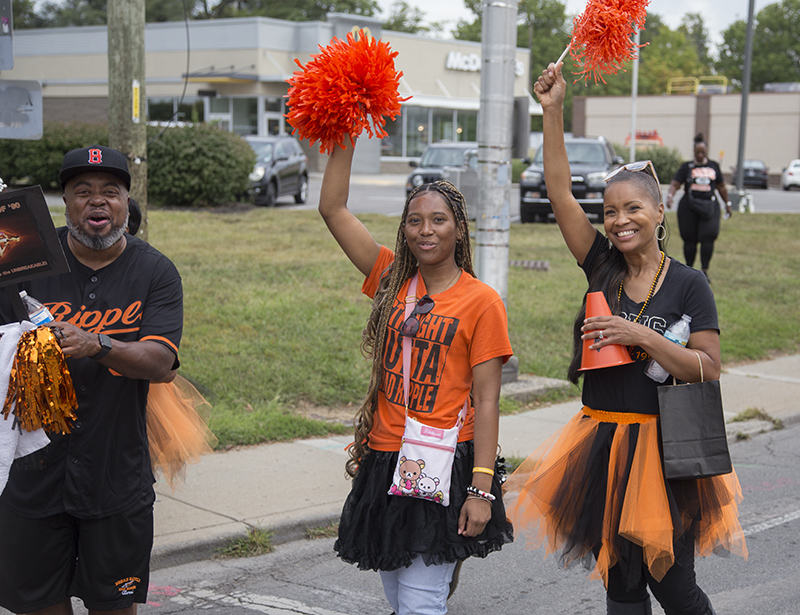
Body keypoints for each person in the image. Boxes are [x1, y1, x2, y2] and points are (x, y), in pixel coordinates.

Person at [508, 63, 747, 615]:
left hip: (664, 454)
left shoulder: (689, 283)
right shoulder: (600, 266)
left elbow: (707, 368)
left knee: (675, 588)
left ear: (659, 212)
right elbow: (560, 191)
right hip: (601, 446)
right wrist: (552, 110)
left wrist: (639, 334)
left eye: (632, 208)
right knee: (621, 589)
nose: (619, 221)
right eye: (610, 211)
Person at [319, 139, 514, 615]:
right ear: (404, 228)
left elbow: (487, 401)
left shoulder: (481, 301)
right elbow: (332, 208)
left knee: (421, 601)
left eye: (438, 220)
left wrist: (481, 490)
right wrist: (345, 132)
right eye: (415, 220)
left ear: (460, 230)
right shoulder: (390, 280)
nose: (426, 231)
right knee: (397, 594)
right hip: (386, 458)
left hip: (446, 463)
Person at [0, 145, 183, 615]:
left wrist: (96, 344)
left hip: (114, 474)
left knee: (113, 606)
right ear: (64, 202)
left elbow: (160, 362)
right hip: (32, 471)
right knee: (40, 605)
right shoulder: (24, 256)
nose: (97, 202)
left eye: (110, 192)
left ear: (127, 201)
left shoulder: (154, 271)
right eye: (82, 192)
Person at [666, 133, 732, 282]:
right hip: (689, 208)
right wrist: (670, 196)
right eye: (698, 152)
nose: (700, 154)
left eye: (703, 152)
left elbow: (721, 186)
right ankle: (689, 269)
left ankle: (704, 270)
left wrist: (727, 204)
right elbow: (675, 183)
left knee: (708, 237)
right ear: (694, 152)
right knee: (689, 239)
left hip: (709, 207)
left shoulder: (714, 166)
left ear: (707, 152)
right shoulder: (687, 166)